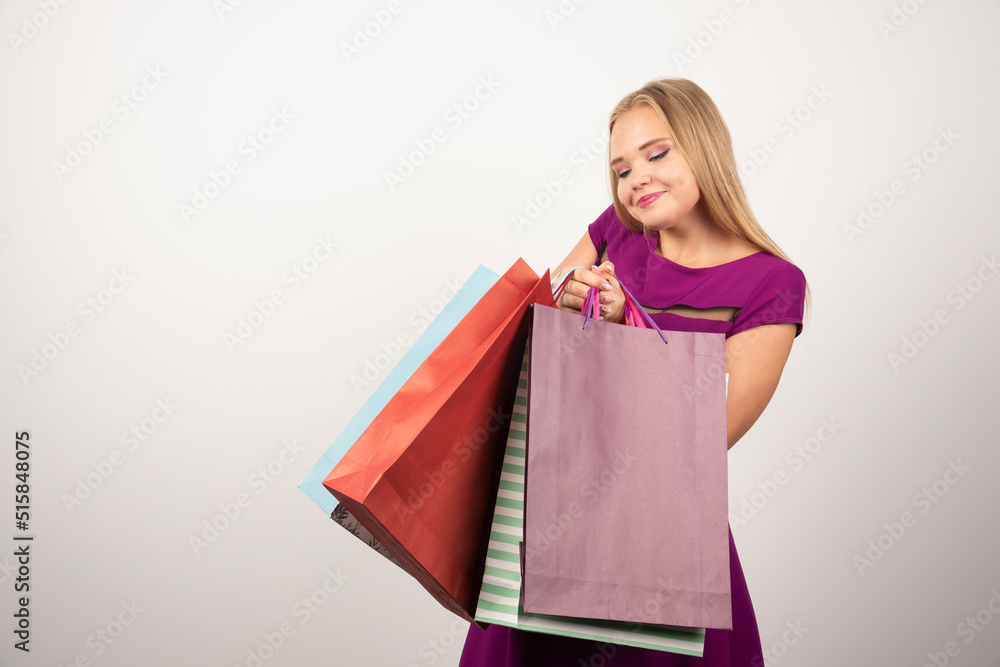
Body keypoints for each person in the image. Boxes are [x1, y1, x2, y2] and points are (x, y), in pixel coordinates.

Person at [459, 78, 807, 666]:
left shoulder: (773, 283)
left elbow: (708, 436)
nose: (635, 178)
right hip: (552, 519)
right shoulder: (615, 232)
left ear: (705, 148)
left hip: (661, 540)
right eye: (621, 169)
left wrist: (629, 332)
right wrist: (568, 300)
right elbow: (536, 350)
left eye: (657, 153)